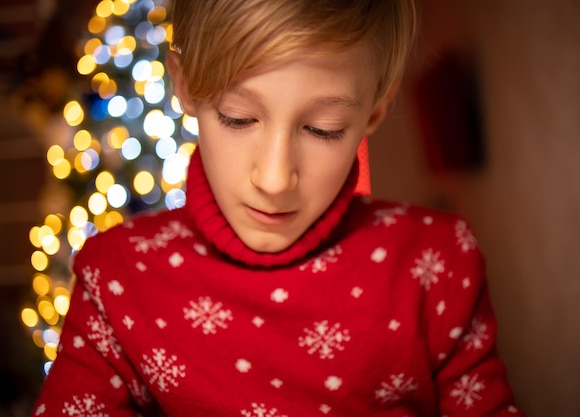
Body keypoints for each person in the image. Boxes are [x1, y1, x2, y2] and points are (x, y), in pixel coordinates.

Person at [31, 1, 525, 416]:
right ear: (183, 85)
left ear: (375, 109)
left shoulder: (434, 263)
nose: (273, 179)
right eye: (238, 117)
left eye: (323, 128)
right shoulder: (116, 279)